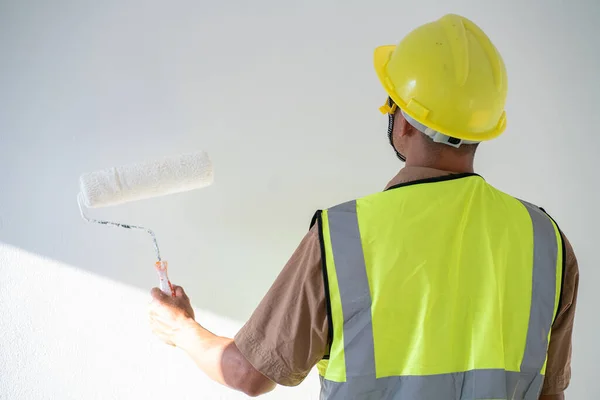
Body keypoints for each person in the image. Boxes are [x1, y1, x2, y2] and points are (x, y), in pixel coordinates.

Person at [148, 13, 579, 400]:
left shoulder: (343, 238)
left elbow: (247, 374)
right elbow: (548, 394)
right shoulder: (547, 242)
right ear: (484, 128)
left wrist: (182, 329)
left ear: (404, 121)